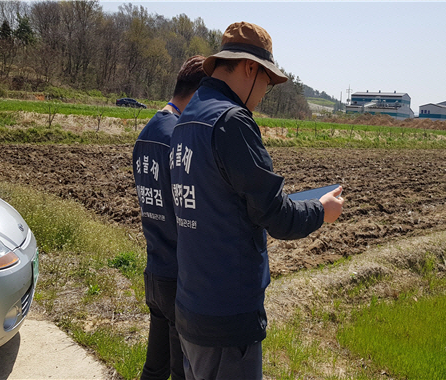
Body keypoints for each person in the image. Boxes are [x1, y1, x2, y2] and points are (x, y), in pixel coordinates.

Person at [169, 22, 344, 379]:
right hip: (227, 314)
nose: (265, 92)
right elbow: (275, 214)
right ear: (250, 68)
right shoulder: (231, 121)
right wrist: (321, 211)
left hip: (191, 303)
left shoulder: (188, 118)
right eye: (267, 80)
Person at [133, 55, 206, 380]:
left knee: (155, 367)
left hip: (154, 269)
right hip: (178, 278)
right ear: (199, 94)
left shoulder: (148, 130)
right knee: (181, 372)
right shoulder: (177, 138)